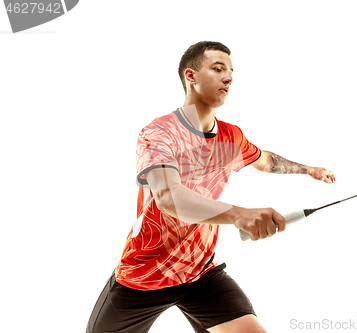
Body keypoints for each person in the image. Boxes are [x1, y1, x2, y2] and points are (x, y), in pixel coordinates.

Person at [86, 41, 335, 333]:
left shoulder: (231, 136)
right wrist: (239, 215)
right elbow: (169, 198)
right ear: (190, 76)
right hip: (145, 274)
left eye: (230, 71)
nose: (228, 77)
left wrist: (309, 170)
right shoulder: (159, 133)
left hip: (199, 273)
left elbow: (264, 159)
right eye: (218, 69)